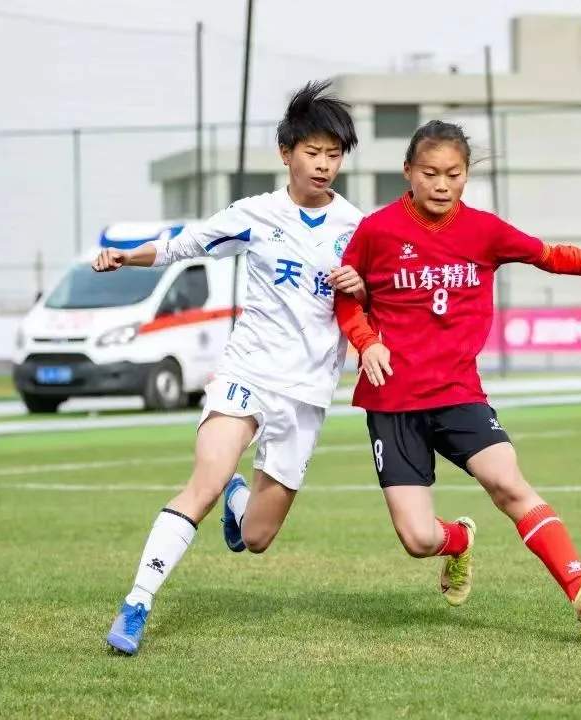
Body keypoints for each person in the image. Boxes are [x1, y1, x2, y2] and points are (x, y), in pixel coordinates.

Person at [335, 120, 581, 637]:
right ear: (408, 173)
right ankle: (459, 542)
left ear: (466, 176)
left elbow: (548, 255)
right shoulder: (376, 231)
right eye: (430, 173)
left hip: (458, 395)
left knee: (509, 485)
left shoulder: (484, 230)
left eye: (454, 174)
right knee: (419, 539)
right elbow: (347, 298)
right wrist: (367, 341)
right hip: (392, 401)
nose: (442, 185)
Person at [97, 81, 366, 654]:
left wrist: (361, 285)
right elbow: (181, 244)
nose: (322, 165)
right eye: (312, 152)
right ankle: (136, 604)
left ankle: (239, 500)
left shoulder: (358, 229)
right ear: (285, 152)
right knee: (204, 482)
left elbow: (379, 296)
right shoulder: (255, 216)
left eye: (333, 154)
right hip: (247, 373)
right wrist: (127, 256)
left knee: (257, 538)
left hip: (309, 391)